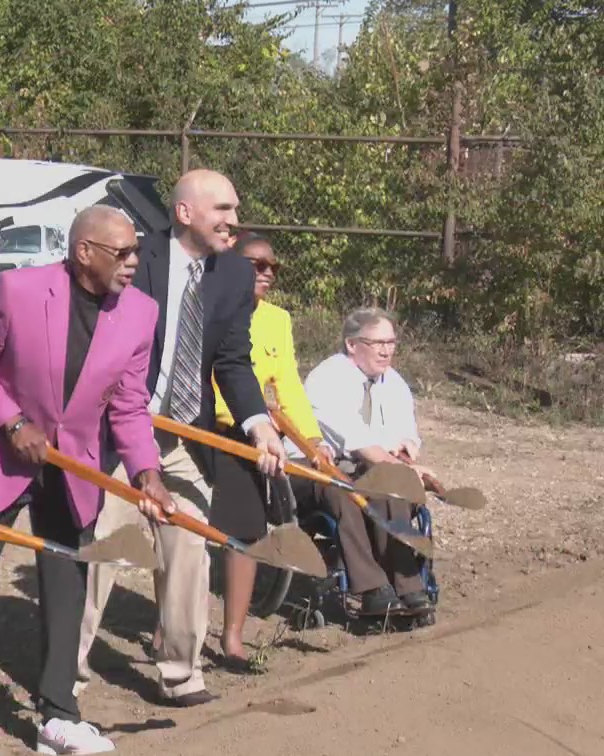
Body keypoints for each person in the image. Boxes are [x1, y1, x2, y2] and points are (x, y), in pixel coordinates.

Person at [0, 206, 175, 756]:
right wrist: (12, 422)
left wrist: (148, 473)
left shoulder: (141, 313)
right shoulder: (20, 291)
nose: (133, 264)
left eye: (136, 252)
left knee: (66, 584)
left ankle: (58, 715)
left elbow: (128, 404)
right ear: (84, 253)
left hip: (74, 463)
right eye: (121, 253)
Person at [76, 169, 289, 707]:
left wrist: (257, 423)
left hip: (184, 434)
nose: (234, 221)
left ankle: (181, 673)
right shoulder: (134, 259)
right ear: (185, 213)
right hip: (120, 434)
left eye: (236, 210)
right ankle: (66, 676)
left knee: (189, 551)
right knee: (104, 548)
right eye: (223, 210)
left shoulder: (234, 277)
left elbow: (232, 362)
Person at [205, 231, 324, 668]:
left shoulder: (278, 320)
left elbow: (287, 383)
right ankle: (173, 630)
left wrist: (309, 439)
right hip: (205, 429)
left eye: (273, 266)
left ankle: (232, 639)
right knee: (188, 537)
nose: (267, 273)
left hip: (252, 440)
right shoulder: (208, 306)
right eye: (257, 265)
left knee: (247, 532)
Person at [300, 307, 432, 616]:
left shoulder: (394, 382)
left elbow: (406, 434)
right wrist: (401, 465)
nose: (387, 351)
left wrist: (406, 451)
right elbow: (357, 441)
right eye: (378, 343)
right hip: (316, 470)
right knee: (347, 493)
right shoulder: (328, 377)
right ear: (352, 344)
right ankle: (372, 589)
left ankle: (407, 583)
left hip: (366, 468)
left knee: (393, 488)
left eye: (391, 342)